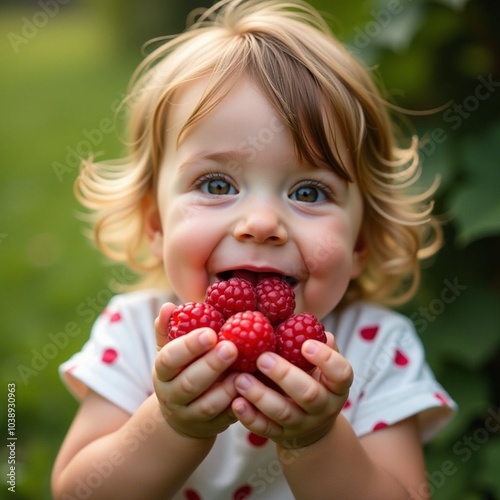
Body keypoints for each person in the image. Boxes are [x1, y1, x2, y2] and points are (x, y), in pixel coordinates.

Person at [51, 1, 457, 498]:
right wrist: (172, 425)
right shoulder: (135, 333)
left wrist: (317, 439)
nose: (262, 224)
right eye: (217, 184)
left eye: (308, 192)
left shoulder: (377, 348)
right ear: (156, 224)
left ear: (361, 243)